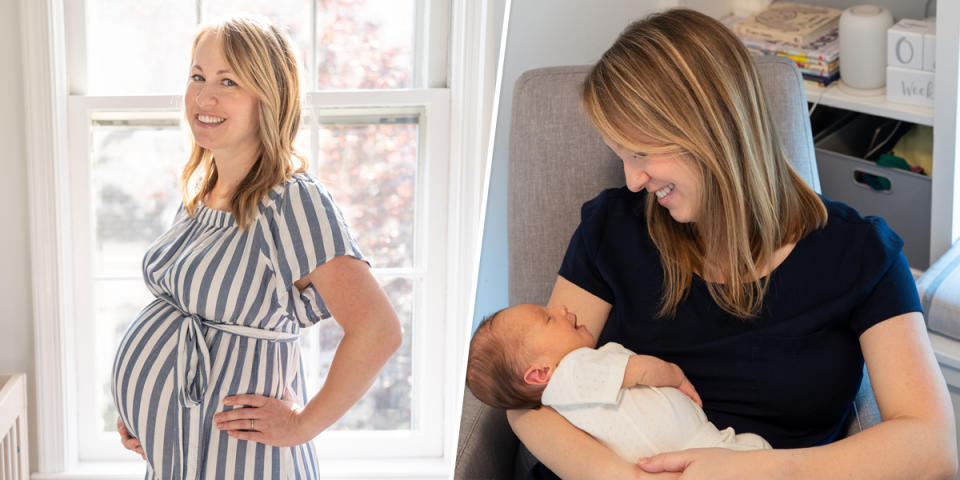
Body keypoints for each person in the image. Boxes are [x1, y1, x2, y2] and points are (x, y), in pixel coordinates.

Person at [507, 9, 957, 480]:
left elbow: (932, 450)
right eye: (620, 156)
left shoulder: (862, 257)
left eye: (640, 152)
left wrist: (757, 470)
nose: (633, 180)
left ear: (711, 128)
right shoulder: (612, 228)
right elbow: (524, 398)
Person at [111, 15, 402, 479]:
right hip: (181, 458)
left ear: (269, 97)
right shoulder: (200, 193)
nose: (205, 97)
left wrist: (301, 424)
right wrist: (146, 415)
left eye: (228, 81)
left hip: (243, 463)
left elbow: (378, 330)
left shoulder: (292, 200)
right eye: (197, 76)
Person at [466, 303, 770, 463]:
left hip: (684, 455)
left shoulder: (560, 401)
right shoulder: (574, 369)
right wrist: (675, 374)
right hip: (700, 448)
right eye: (547, 318)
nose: (560, 309)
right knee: (760, 455)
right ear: (539, 373)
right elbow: (640, 370)